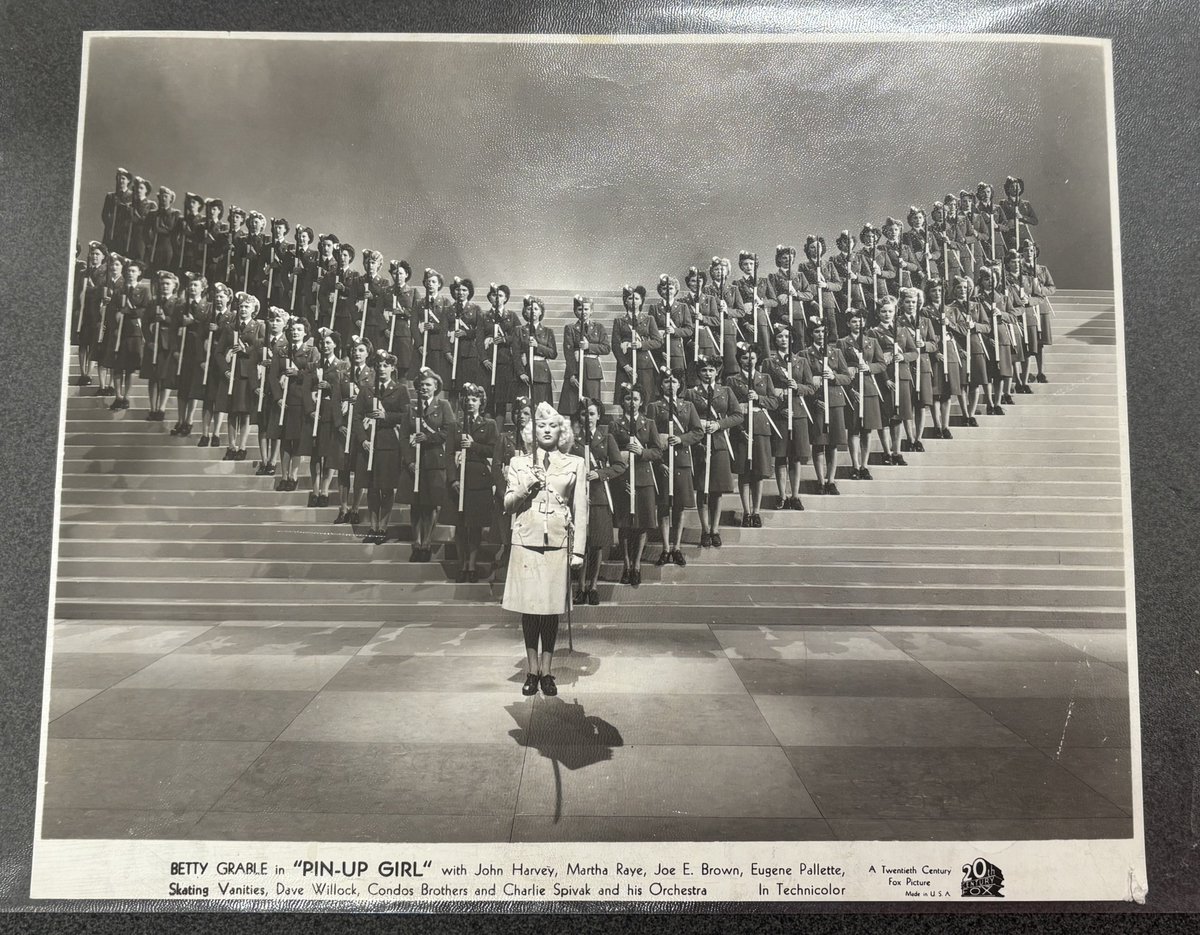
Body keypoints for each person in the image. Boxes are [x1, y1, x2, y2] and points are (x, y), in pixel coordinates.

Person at [503, 401, 588, 697]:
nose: (547, 430)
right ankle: (531, 670)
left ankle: (548, 672)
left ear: (561, 431)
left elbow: (580, 509)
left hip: (557, 544)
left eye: (553, 426)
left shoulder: (575, 463)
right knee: (530, 610)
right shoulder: (519, 463)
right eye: (541, 426)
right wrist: (528, 483)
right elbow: (508, 504)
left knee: (551, 611)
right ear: (533, 430)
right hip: (526, 542)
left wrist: (578, 551)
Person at [684, 355, 740, 546]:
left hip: (719, 443)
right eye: (704, 370)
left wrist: (719, 424)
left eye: (711, 370)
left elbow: (737, 415)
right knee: (702, 488)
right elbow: (683, 417)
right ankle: (704, 529)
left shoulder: (726, 391)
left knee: (716, 490)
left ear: (717, 372)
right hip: (699, 445)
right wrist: (699, 424)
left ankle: (715, 529)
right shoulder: (691, 393)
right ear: (698, 373)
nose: (707, 374)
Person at [647, 371, 702, 565]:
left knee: (679, 506)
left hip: (682, 461)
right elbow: (649, 436)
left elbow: (698, 431)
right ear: (661, 385)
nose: (671, 385)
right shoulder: (654, 407)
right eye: (667, 381)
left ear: (680, 385)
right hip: (663, 461)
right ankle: (665, 548)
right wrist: (659, 462)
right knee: (663, 506)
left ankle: (677, 547)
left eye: (674, 381)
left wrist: (681, 439)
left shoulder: (688, 406)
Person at [574, 396, 625, 604]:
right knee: (580, 545)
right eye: (585, 414)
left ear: (599, 416)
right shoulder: (572, 440)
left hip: (599, 496)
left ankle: (593, 586)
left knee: (596, 545)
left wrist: (600, 473)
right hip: (578, 498)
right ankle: (580, 587)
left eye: (592, 414)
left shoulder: (606, 438)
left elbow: (619, 466)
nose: (588, 418)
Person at [611, 383, 663, 586]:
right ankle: (626, 563)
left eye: (635, 399)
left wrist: (643, 452)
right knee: (624, 524)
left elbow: (658, 452)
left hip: (644, 478)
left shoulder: (649, 423)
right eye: (627, 399)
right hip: (624, 478)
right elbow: (611, 452)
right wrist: (623, 455)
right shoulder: (616, 425)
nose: (631, 403)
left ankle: (637, 564)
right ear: (622, 401)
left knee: (642, 524)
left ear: (641, 402)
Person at [355, 351, 410, 544]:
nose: (382, 369)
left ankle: (383, 527)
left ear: (393, 368)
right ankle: (372, 526)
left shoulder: (400, 390)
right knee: (371, 488)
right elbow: (356, 417)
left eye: (386, 365)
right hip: (369, 446)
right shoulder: (367, 389)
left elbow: (406, 416)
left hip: (389, 445)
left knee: (386, 488)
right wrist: (363, 440)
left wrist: (386, 417)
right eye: (379, 365)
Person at [403, 366, 455, 560]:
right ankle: (416, 543)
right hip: (415, 463)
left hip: (434, 461)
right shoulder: (411, 408)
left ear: (435, 387)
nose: (423, 388)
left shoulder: (443, 406)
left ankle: (427, 543)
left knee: (431, 505)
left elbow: (449, 432)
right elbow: (403, 438)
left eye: (427, 385)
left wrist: (428, 438)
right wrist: (408, 461)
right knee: (415, 505)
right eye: (421, 385)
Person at [725, 343, 780, 525]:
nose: (749, 361)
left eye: (752, 358)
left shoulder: (765, 378)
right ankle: (746, 512)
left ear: (757, 359)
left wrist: (759, 398)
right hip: (741, 428)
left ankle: (756, 512)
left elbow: (774, 402)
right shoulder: (732, 381)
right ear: (740, 360)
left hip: (761, 427)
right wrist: (739, 428)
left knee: (758, 472)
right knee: (744, 473)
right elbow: (728, 408)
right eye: (745, 358)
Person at [762, 324, 815, 509]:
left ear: (791, 339)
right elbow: (766, 390)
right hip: (780, 414)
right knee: (781, 456)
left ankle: (795, 495)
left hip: (798, 413)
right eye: (779, 337)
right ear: (775, 340)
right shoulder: (769, 362)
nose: (783, 340)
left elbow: (811, 387)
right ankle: (782, 495)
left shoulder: (801, 361)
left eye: (786, 336)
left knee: (796, 456)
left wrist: (797, 388)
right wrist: (778, 407)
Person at [449, 382, 497, 581]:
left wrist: (474, 445)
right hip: (460, 479)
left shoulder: (489, 424)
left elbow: (494, 450)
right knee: (460, 526)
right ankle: (462, 565)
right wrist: (452, 480)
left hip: (479, 479)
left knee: (475, 525)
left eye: (474, 399)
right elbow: (449, 454)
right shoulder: (455, 425)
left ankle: (472, 565)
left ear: (481, 402)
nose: (470, 403)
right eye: (467, 399)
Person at [802, 319, 852, 494]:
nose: (820, 335)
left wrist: (834, 376)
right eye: (816, 331)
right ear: (811, 334)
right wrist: (814, 397)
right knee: (819, 442)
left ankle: (831, 480)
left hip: (835, 402)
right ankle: (820, 481)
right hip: (817, 403)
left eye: (823, 331)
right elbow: (803, 381)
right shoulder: (805, 354)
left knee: (833, 444)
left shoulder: (836, 352)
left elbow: (847, 377)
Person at [270, 315, 320, 491]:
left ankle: (294, 476)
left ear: (305, 332)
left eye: (299, 330)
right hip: (285, 401)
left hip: (301, 401)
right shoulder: (281, 350)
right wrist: (278, 398)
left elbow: (315, 375)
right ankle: (283, 476)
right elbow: (273, 376)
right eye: (293, 330)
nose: (295, 332)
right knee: (285, 440)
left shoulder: (311, 351)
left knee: (297, 440)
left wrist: (299, 373)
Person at [216, 291, 265, 461]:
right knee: (232, 411)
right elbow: (218, 352)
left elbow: (264, 350)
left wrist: (247, 350)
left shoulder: (259, 326)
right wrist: (225, 370)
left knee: (245, 412)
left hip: (247, 375)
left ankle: (242, 447)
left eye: (247, 307)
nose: (243, 309)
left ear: (254, 310)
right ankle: (231, 446)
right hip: (232, 374)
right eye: (241, 306)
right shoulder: (231, 327)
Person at [868, 296, 917, 464]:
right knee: (885, 416)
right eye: (883, 311)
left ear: (895, 312)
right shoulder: (873, 332)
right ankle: (886, 451)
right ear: (878, 313)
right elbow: (873, 358)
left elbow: (914, 352)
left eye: (890, 311)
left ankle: (897, 452)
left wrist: (903, 356)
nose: (887, 314)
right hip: (884, 378)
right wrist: (885, 378)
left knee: (899, 416)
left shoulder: (902, 330)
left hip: (902, 377)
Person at [302, 327, 347, 507]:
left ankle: (325, 490)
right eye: (322, 343)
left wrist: (330, 386)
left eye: (328, 342)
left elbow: (345, 390)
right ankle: (315, 489)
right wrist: (310, 410)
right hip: (316, 414)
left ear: (335, 344)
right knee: (315, 455)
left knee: (329, 454)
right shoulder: (314, 366)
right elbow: (306, 389)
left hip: (332, 413)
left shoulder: (342, 366)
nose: (325, 345)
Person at [334, 337, 375, 526]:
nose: (356, 354)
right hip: (344, 427)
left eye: (361, 350)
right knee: (342, 469)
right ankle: (342, 507)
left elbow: (375, 400)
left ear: (367, 353)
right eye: (355, 350)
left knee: (359, 471)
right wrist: (338, 424)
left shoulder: (372, 374)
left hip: (361, 428)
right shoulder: (343, 373)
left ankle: (356, 508)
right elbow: (335, 400)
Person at [490, 395, 532, 574]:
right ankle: (506, 551)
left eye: (525, 413)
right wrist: (502, 491)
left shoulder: (535, 440)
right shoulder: (504, 438)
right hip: (507, 492)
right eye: (517, 412)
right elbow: (496, 466)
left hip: (529, 493)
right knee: (506, 527)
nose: (521, 416)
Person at [106, 256, 150, 412]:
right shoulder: (120, 290)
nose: (130, 273)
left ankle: (126, 396)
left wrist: (130, 311)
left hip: (134, 332)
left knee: (130, 367)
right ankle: (117, 396)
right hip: (120, 331)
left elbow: (146, 310)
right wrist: (117, 315)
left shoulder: (144, 290)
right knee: (118, 365)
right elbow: (112, 308)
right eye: (128, 271)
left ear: (139, 273)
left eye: (133, 271)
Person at [169, 272, 210, 437]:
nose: (192, 288)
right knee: (183, 387)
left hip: (198, 352)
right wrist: (176, 350)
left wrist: (194, 322)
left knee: (193, 388)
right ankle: (180, 420)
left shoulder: (207, 307)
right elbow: (172, 330)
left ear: (203, 288)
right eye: (191, 285)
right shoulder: (181, 306)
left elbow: (208, 330)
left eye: (196, 285)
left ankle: (189, 420)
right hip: (184, 351)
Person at [196, 281, 234, 448]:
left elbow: (232, 339)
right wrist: (202, 360)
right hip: (209, 362)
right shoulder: (208, 315)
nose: (219, 299)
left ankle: (217, 433)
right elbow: (199, 339)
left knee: (220, 400)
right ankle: (205, 433)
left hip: (223, 363)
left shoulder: (232, 317)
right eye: (217, 297)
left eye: (222, 296)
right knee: (208, 399)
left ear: (228, 299)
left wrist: (218, 329)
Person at [560, 295, 610, 419]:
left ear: (592, 310)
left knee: (592, 405)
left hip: (592, 372)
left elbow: (606, 348)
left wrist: (589, 346)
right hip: (576, 370)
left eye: (586, 309)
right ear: (575, 311)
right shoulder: (570, 328)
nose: (583, 312)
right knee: (574, 407)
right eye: (580, 309)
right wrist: (572, 374)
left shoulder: (599, 327)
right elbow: (569, 353)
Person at [898, 287, 936, 451]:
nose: (911, 305)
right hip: (906, 366)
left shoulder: (925, 321)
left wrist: (925, 345)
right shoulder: (897, 321)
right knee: (908, 404)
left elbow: (934, 344)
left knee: (921, 404)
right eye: (907, 302)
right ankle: (909, 437)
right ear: (902, 303)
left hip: (923, 365)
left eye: (914, 302)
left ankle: (918, 439)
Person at [140, 268, 179, 422]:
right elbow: (145, 323)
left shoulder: (178, 303)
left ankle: (162, 408)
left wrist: (165, 318)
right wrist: (149, 341)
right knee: (153, 377)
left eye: (168, 284)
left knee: (165, 378)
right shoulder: (153, 302)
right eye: (162, 284)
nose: (164, 286)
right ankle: (153, 408)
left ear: (174, 286)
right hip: (154, 344)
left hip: (168, 345)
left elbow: (178, 324)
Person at [973, 267, 1015, 414]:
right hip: (984, 339)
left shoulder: (1003, 297)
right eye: (986, 279)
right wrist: (985, 338)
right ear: (981, 281)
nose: (990, 282)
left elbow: (1013, 316)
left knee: (1000, 373)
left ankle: (997, 403)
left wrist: (1001, 314)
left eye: (992, 279)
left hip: (1001, 338)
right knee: (988, 373)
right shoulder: (977, 299)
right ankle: (989, 403)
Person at [611, 284, 660, 408]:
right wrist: (626, 366)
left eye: (637, 298)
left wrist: (641, 344)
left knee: (645, 400)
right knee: (626, 400)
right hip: (626, 366)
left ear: (642, 301)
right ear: (625, 301)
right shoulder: (619, 321)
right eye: (630, 298)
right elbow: (615, 345)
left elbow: (658, 341)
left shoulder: (649, 319)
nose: (633, 301)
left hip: (644, 366)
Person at [255, 306, 289, 474]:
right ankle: (264, 460)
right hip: (263, 389)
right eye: (272, 320)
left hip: (278, 391)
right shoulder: (261, 342)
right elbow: (252, 363)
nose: (275, 323)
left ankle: (273, 461)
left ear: (284, 324)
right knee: (262, 425)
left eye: (278, 320)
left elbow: (288, 367)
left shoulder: (287, 344)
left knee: (275, 427)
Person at [480, 283, 520, 423]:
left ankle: (497, 437)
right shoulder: (484, 316)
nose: (497, 298)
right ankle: (488, 435)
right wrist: (484, 360)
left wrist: (504, 339)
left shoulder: (512, 316)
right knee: (488, 402)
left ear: (506, 298)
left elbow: (518, 336)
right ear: (490, 298)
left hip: (504, 362)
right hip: (488, 363)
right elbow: (479, 340)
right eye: (494, 295)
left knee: (501, 401)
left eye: (500, 295)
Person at [763, 244, 813, 350]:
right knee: (783, 344)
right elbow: (771, 297)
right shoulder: (773, 277)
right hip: (781, 315)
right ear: (779, 259)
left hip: (797, 314)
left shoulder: (799, 275)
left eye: (790, 257)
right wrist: (781, 296)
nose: (787, 260)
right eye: (784, 258)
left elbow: (809, 295)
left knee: (799, 344)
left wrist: (796, 294)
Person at [513, 295, 557, 408]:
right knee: (524, 406)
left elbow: (553, 353)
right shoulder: (519, 330)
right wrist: (521, 372)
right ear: (525, 312)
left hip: (541, 373)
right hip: (525, 372)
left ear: (541, 312)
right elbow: (516, 353)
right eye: (529, 309)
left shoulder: (548, 332)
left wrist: (538, 346)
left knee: (541, 407)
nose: (532, 311)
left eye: (536, 309)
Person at [75, 241, 108, 389]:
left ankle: (90, 373)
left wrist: (91, 289)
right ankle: (83, 374)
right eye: (92, 254)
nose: (94, 256)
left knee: (94, 344)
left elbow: (102, 291)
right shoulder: (84, 272)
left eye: (97, 254)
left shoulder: (105, 273)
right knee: (83, 343)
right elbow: (78, 291)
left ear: (103, 257)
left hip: (97, 312)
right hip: (84, 311)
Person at [649, 274, 695, 380]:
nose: (668, 291)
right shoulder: (654, 308)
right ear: (660, 291)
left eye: (670, 288)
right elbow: (650, 331)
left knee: (678, 381)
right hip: (660, 350)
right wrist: (659, 350)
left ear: (676, 290)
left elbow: (689, 330)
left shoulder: (682, 307)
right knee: (661, 382)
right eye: (664, 289)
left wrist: (675, 330)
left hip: (676, 350)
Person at [1022, 238, 1056, 382]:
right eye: (1025, 251)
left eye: (1031, 250)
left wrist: (1040, 289)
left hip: (1041, 307)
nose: (1029, 253)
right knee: (1028, 342)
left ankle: (1040, 372)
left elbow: (1052, 288)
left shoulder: (1042, 269)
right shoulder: (1019, 269)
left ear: (1035, 252)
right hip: (1028, 308)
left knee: (1040, 343)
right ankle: (1026, 374)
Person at [445, 275, 483, 402]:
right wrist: (447, 352)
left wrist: (466, 333)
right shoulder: (449, 310)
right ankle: (452, 420)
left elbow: (480, 331)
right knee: (453, 390)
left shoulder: (475, 309)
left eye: (464, 290)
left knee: (469, 389)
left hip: (470, 353)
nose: (460, 292)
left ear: (469, 292)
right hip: (453, 353)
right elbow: (443, 332)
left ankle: (468, 419)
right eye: (458, 290)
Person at [798, 235, 841, 337]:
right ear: (808, 250)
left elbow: (838, 285)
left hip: (828, 302)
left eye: (819, 246)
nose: (816, 249)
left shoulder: (829, 264)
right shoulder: (803, 266)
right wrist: (812, 301)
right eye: (812, 247)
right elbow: (801, 287)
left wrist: (826, 284)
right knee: (815, 331)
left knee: (831, 331)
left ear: (822, 248)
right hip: (812, 302)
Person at [702, 257, 739, 377]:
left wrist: (727, 310)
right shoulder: (706, 289)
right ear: (712, 272)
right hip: (712, 328)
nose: (719, 272)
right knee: (715, 359)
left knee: (729, 360)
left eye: (723, 269)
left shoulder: (733, 289)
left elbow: (741, 311)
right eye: (716, 269)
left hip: (728, 328)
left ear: (727, 271)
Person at [357, 249, 392, 354]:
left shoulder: (384, 283)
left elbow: (387, 303)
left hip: (377, 325)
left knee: (376, 353)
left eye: (373, 263)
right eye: (367, 262)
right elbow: (351, 302)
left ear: (379, 265)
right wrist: (356, 320)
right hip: (361, 323)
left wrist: (374, 298)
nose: (370, 265)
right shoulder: (358, 280)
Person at [325, 241, 359, 347]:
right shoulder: (330, 275)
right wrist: (327, 308)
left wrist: (344, 288)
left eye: (345, 255)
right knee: (330, 341)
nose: (342, 258)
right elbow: (322, 294)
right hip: (332, 312)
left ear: (350, 258)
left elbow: (355, 294)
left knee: (344, 343)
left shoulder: (355, 275)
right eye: (340, 255)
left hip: (346, 314)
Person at [387, 259, 417, 374]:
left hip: (404, 334)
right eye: (395, 273)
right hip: (388, 333)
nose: (397, 276)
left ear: (406, 275)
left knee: (403, 367)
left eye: (400, 273)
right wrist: (385, 329)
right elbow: (379, 312)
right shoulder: (386, 291)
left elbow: (415, 314)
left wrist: (402, 311)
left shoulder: (412, 292)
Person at [148, 187, 181, 273]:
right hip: (155, 245)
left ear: (171, 199)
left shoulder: (175, 214)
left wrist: (161, 230)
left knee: (167, 270)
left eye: (166, 196)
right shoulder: (153, 214)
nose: (163, 198)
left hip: (169, 246)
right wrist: (149, 243)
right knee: (154, 271)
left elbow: (175, 231)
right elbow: (145, 230)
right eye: (161, 196)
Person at [100, 168, 133, 251]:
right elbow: (104, 214)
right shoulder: (110, 196)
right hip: (111, 232)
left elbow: (131, 214)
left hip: (124, 232)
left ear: (128, 181)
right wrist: (110, 223)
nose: (120, 180)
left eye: (123, 178)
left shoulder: (132, 196)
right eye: (118, 178)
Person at [290, 226, 318, 318]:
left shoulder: (314, 254)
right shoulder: (291, 253)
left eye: (304, 236)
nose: (301, 239)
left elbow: (314, 273)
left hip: (305, 291)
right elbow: (284, 271)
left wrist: (302, 271)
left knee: (303, 316)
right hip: (292, 289)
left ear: (309, 238)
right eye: (299, 236)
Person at [128, 176, 157, 266]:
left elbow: (151, 222)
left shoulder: (151, 205)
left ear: (146, 190)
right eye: (137, 188)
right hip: (130, 235)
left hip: (144, 236)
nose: (138, 190)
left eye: (141, 188)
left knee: (141, 260)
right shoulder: (130, 205)